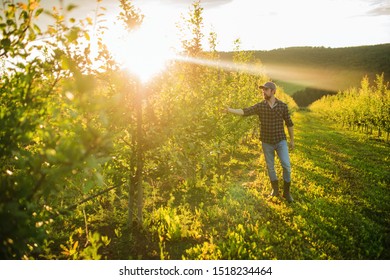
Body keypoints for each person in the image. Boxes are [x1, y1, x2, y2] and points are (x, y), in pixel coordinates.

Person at [225, 81, 295, 202]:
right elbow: (245, 111)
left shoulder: (283, 106)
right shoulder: (260, 106)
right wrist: (229, 110)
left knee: (286, 165)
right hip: (267, 142)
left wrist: (292, 140)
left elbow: (289, 123)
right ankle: (275, 190)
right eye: (263, 90)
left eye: (266, 89)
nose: (263, 91)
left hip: (280, 141)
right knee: (270, 167)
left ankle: (287, 192)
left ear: (273, 91)